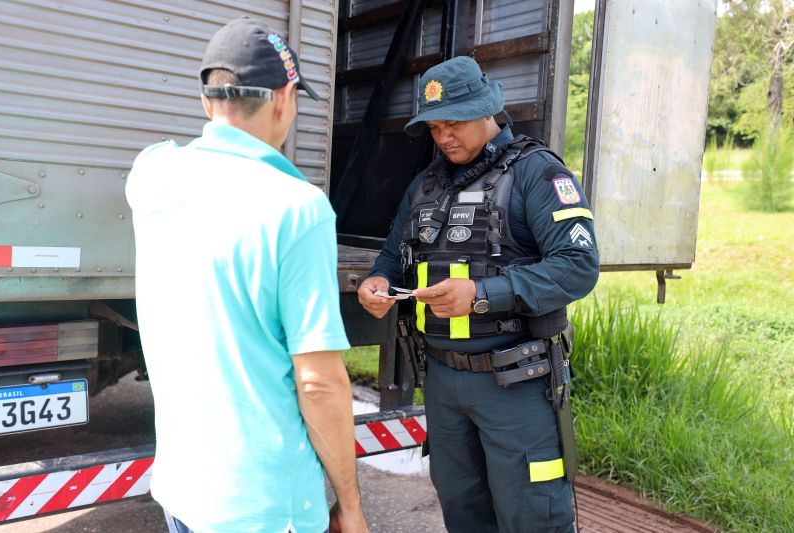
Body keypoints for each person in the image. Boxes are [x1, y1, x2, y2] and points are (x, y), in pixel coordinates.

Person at [127, 17, 368, 533]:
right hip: (265, 508)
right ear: (284, 99)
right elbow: (319, 383)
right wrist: (349, 504)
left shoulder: (150, 175)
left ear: (206, 101)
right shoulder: (299, 210)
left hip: (181, 492)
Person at [358, 56, 599, 533]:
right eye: (433, 128)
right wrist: (378, 282)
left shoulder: (538, 174)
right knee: (463, 511)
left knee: (534, 518)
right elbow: (392, 255)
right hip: (443, 382)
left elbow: (579, 267)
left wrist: (483, 294)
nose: (444, 137)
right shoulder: (424, 185)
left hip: (517, 384)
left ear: (487, 111)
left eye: (454, 123)